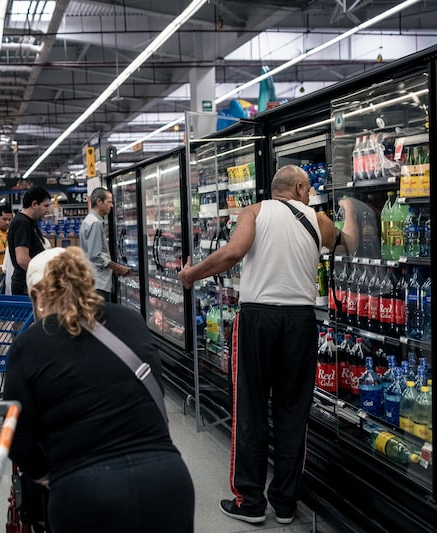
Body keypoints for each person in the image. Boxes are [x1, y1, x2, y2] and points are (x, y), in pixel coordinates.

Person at [177, 165, 354, 525]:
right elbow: (347, 241)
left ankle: (251, 502)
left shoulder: (254, 211)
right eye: (308, 188)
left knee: (251, 409)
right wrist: (349, 207)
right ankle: (286, 505)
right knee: (293, 412)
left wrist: (190, 275)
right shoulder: (317, 219)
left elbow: (233, 252)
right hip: (301, 322)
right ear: (301, 187)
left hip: (258, 318)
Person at [3, 247, 195, 533]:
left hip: (85, 491)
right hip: (167, 479)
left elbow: (15, 434)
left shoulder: (29, 343)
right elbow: (155, 389)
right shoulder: (131, 321)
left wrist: (45, 475)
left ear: (37, 298)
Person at [80, 187, 130, 301]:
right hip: (98, 283)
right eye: (109, 202)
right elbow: (95, 256)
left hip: (91, 279)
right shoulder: (95, 223)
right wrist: (118, 268)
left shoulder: (88, 220)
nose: (111, 206)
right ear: (99, 201)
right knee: (101, 316)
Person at [7, 186, 52, 295]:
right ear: (34, 204)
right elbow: (22, 259)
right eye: (45, 206)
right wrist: (44, 275)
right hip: (26, 285)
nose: (47, 210)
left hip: (30, 282)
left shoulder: (30, 222)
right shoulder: (22, 223)